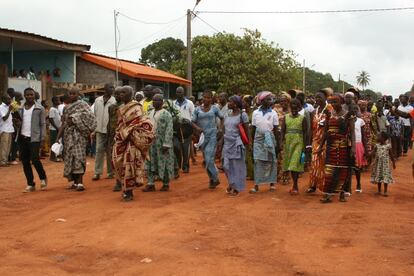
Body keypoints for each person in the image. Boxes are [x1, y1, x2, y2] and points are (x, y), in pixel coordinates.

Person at [112, 86, 154, 201]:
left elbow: (140, 122)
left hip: (133, 141)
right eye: (120, 93)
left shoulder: (136, 107)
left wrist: (129, 132)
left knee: (129, 165)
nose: (121, 95)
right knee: (118, 162)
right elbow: (120, 125)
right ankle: (125, 188)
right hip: (122, 140)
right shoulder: (121, 108)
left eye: (124, 92)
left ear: (131, 94)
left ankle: (128, 192)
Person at [57, 88, 96, 191]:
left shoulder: (83, 105)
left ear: (78, 94)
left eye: (74, 93)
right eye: (70, 94)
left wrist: (75, 118)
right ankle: (74, 182)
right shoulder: (66, 108)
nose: (72, 95)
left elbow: (90, 117)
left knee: (79, 157)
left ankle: (80, 183)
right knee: (70, 158)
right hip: (68, 135)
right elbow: (64, 123)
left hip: (79, 135)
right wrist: (58, 137)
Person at [319, 94, 353, 203]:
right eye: (331, 102)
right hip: (330, 146)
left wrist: (353, 149)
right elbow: (325, 131)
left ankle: (342, 194)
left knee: (343, 170)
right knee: (329, 170)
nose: (333, 104)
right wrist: (320, 146)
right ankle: (327, 195)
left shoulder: (349, 115)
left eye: (335, 102)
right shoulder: (328, 114)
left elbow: (352, 132)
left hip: (344, 147)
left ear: (341, 102)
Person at [16, 88, 47, 192]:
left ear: (34, 96)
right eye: (27, 95)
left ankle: (43, 178)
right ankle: (30, 184)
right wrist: (17, 124)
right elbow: (18, 124)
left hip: (34, 138)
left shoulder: (40, 108)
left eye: (31, 95)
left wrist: (42, 139)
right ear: (24, 96)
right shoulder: (20, 108)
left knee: (35, 159)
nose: (29, 96)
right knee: (25, 162)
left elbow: (43, 124)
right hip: (22, 137)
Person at [192, 90, 224, 189]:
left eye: (209, 97)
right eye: (205, 97)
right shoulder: (197, 109)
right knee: (206, 159)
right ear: (202, 98)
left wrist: (221, 129)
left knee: (209, 159)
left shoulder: (215, 108)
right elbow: (192, 121)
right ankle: (212, 179)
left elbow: (222, 118)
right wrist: (197, 128)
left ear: (211, 98)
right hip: (203, 137)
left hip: (213, 135)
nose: (206, 99)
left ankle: (215, 178)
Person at [143, 93, 175, 192]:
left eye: (157, 100)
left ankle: (166, 183)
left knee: (164, 162)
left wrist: (166, 144)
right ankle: (150, 183)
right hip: (151, 142)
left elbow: (169, 129)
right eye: (154, 100)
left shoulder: (166, 114)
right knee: (149, 162)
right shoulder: (150, 112)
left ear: (162, 102)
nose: (155, 102)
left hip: (162, 143)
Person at [250, 91, 279, 194]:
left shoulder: (274, 113)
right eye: (268, 99)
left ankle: (272, 184)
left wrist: (277, 144)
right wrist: (252, 143)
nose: (270, 101)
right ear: (262, 101)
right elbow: (253, 129)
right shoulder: (255, 113)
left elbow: (275, 129)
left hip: (270, 138)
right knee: (257, 161)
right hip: (258, 139)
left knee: (271, 161)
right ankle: (256, 185)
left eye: (271, 99)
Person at [222, 95, 249, 196]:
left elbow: (246, 130)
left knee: (236, 167)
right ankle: (231, 183)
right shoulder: (227, 114)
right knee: (226, 166)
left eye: (230, 102)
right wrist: (221, 142)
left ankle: (236, 188)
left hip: (237, 144)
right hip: (227, 143)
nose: (228, 103)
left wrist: (248, 144)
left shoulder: (243, 115)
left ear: (236, 104)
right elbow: (224, 129)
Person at [306, 90, 331, 193]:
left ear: (325, 98)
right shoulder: (314, 111)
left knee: (325, 163)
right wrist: (309, 143)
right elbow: (311, 128)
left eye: (320, 97)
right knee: (315, 162)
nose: (317, 99)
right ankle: (313, 185)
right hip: (316, 140)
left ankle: (326, 185)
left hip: (327, 140)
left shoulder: (330, 109)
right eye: (316, 97)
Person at [282, 99, 308, 195]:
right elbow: (283, 130)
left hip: (298, 143)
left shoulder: (303, 118)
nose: (294, 110)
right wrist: (281, 142)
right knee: (289, 165)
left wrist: (305, 145)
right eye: (292, 107)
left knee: (294, 164)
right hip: (288, 143)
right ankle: (293, 184)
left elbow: (305, 133)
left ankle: (295, 185)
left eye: (296, 108)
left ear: (299, 108)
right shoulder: (285, 117)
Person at [92, 83, 116, 180]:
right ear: (105, 89)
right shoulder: (97, 100)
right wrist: (94, 129)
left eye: (113, 87)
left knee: (110, 152)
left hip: (110, 131)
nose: (112, 89)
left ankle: (110, 172)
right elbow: (95, 115)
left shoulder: (114, 101)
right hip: (99, 130)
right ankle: (97, 172)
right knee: (99, 150)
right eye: (110, 87)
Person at [173, 86, 194, 173]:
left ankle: (186, 166)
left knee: (185, 149)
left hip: (187, 128)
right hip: (177, 128)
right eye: (177, 92)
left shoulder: (190, 103)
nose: (178, 94)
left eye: (180, 92)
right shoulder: (173, 103)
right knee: (176, 147)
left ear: (183, 93)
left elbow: (193, 115)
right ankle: (177, 165)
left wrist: (189, 122)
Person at [108, 87, 124, 192]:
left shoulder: (127, 106)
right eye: (116, 94)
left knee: (124, 159)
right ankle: (118, 182)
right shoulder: (111, 107)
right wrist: (109, 135)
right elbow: (109, 121)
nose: (118, 96)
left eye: (120, 94)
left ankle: (124, 181)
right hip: (113, 136)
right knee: (115, 159)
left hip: (124, 136)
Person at [371, 132, 395, 197]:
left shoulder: (388, 146)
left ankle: (385, 191)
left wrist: (393, 163)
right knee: (378, 176)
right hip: (378, 165)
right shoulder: (376, 145)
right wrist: (367, 155)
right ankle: (379, 191)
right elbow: (372, 153)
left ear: (383, 138)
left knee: (385, 177)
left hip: (385, 165)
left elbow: (391, 155)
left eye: (379, 136)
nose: (377, 137)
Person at [274, 92, 291, 185]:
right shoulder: (276, 110)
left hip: (288, 136)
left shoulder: (292, 111)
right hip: (277, 135)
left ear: (288, 101)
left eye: (285, 101)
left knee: (286, 156)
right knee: (277, 156)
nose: (283, 103)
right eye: (281, 101)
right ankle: (277, 176)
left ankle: (285, 176)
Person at [351, 104, 368, 193]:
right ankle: (347, 187)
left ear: (357, 111)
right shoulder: (346, 120)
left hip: (358, 144)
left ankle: (358, 184)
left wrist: (366, 149)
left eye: (355, 109)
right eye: (352, 109)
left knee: (357, 167)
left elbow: (363, 136)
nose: (354, 110)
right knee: (349, 166)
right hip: (349, 144)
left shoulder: (360, 121)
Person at [358, 100, 375, 164]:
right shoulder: (358, 115)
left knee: (368, 148)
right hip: (360, 134)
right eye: (361, 105)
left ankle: (368, 163)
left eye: (364, 105)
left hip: (368, 134)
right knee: (361, 148)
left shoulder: (369, 114)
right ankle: (362, 163)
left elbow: (371, 124)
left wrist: (373, 132)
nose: (363, 106)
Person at [0, 95, 15, 167]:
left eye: (10, 99)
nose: (10, 100)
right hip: (4, 129)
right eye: (8, 99)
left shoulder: (8, 107)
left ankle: (5, 160)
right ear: (3, 99)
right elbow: (4, 118)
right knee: (4, 146)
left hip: (9, 129)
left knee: (8, 146)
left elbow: (9, 118)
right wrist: (9, 110)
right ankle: (2, 161)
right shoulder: (1, 107)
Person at [242, 95, 254, 180]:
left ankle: (252, 174)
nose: (243, 104)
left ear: (248, 103)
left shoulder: (253, 113)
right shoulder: (244, 113)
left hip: (251, 135)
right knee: (246, 155)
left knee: (250, 155)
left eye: (244, 102)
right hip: (244, 135)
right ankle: (247, 173)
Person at [48, 96, 62, 162]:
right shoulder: (52, 109)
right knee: (53, 143)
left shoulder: (57, 109)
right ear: (54, 101)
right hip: (54, 129)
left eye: (59, 100)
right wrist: (56, 127)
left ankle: (55, 155)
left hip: (57, 128)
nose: (58, 102)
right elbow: (50, 119)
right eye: (57, 100)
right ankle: (52, 157)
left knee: (56, 142)